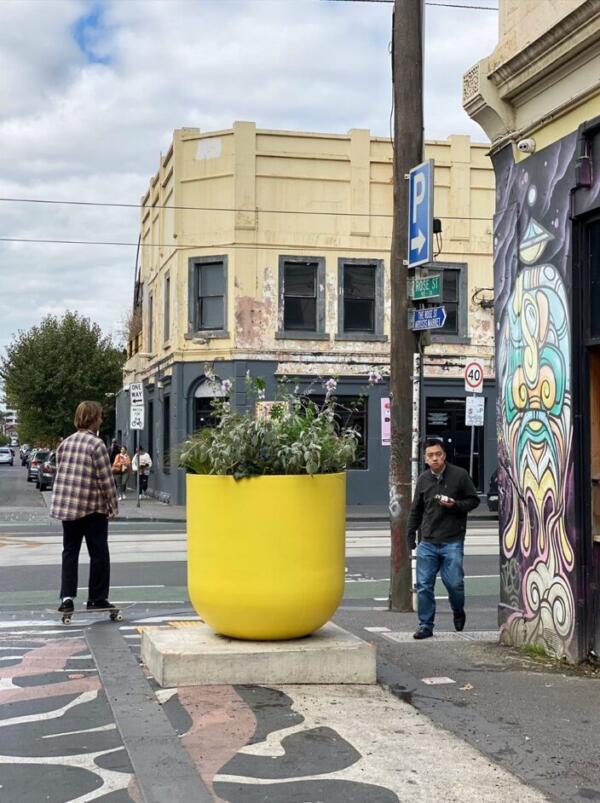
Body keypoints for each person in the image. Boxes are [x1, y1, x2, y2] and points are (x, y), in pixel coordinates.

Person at [50, 400, 119, 614]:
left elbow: (60, 471)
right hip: (92, 507)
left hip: (68, 507)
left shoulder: (65, 443)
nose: (101, 419)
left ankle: (67, 597)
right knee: (98, 554)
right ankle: (97, 598)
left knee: (70, 551)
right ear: (93, 419)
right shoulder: (96, 445)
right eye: (99, 416)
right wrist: (113, 506)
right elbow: (105, 480)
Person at [407, 438, 479, 640]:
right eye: (430, 455)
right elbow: (416, 510)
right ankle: (425, 625)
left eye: (438, 454)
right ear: (425, 459)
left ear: (444, 455)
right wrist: (410, 534)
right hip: (428, 541)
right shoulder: (423, 479)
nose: (435, 458)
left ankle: (458, 610)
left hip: (452, 540)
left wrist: (455, 505)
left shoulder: (460, 475)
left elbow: (474, 501)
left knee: (454, 583)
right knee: (423, 585)